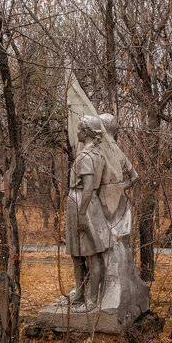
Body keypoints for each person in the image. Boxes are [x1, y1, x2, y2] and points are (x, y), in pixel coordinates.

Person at [65, 114, 113, 311]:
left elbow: (86, 187)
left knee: (90, 255)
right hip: (90, 203)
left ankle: (91, 300)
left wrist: (82, 213)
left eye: (79, 129)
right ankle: (80, 292)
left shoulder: (85, 156)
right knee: (78, 254)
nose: (76, 132)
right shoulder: (99, 153)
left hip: (82, 203)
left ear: (86, 132)